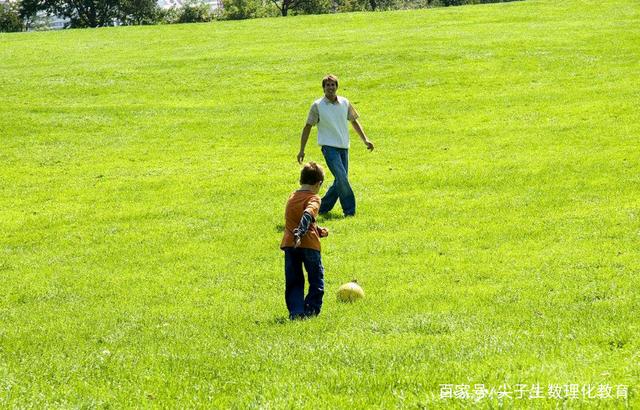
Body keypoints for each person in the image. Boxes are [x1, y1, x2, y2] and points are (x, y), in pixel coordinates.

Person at [297, 74, 375, 217]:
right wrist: (302, 150)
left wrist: (365, 139)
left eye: (333, 85)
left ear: (337, 87)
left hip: (344, 147)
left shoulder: (345, 102)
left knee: (340, 179)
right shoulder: (317, 106)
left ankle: (322, 207)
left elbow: (354, 121)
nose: (330, 88)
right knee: (342, 178)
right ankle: (350, 211)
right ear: (323, 88)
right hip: (329, 148)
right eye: (327, 85)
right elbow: (307, 126)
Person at [280, 162, 330, 320]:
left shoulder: (292, 196)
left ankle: (296, 312)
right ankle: (311, 310)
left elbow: (298, 218)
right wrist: (301, 233)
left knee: (294, 280)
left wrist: (317, 229)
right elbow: (307, 214)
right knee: (316, 278)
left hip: (290, 244)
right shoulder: (314, 198)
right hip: (308, 244)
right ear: (318, 184)